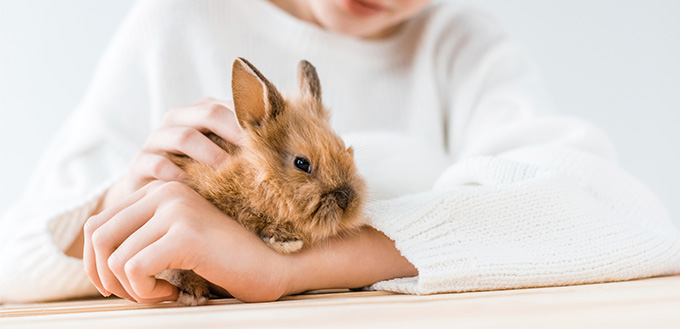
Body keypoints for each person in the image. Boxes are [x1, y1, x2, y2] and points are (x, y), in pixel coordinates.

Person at [1, 0, 678, 304]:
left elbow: (613, 211)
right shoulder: (176, 21)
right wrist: (121, 204)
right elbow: (14, 253)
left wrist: (287, 268)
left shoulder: (459, 44)